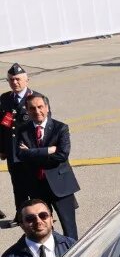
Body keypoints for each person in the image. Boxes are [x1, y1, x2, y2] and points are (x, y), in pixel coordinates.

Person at [14, 93, 80, 240]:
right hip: (36, 186)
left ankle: (73, 256)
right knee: (42, 227)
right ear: (27, 110)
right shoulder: (22, 130)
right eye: (32, 108)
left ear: (47, 107)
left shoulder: (60, 128)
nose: (37, 111)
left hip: (61, 186)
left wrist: (31, 153)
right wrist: (47, 151)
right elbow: (20, 155)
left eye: (40, 107)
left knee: (69, 227)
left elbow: (62, 156)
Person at [0, 64, 42, 211]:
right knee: (18, 187)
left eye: (18, 79)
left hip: (30, 151)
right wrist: (2, 149)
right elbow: (2, 126)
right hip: (12, 152)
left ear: (27, 80)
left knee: (36, 185)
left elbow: (44, 126)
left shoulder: (37, 98)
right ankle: (21, 215)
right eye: (11, 80)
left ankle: (41, 213)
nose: (14, 83)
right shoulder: (5, 98)